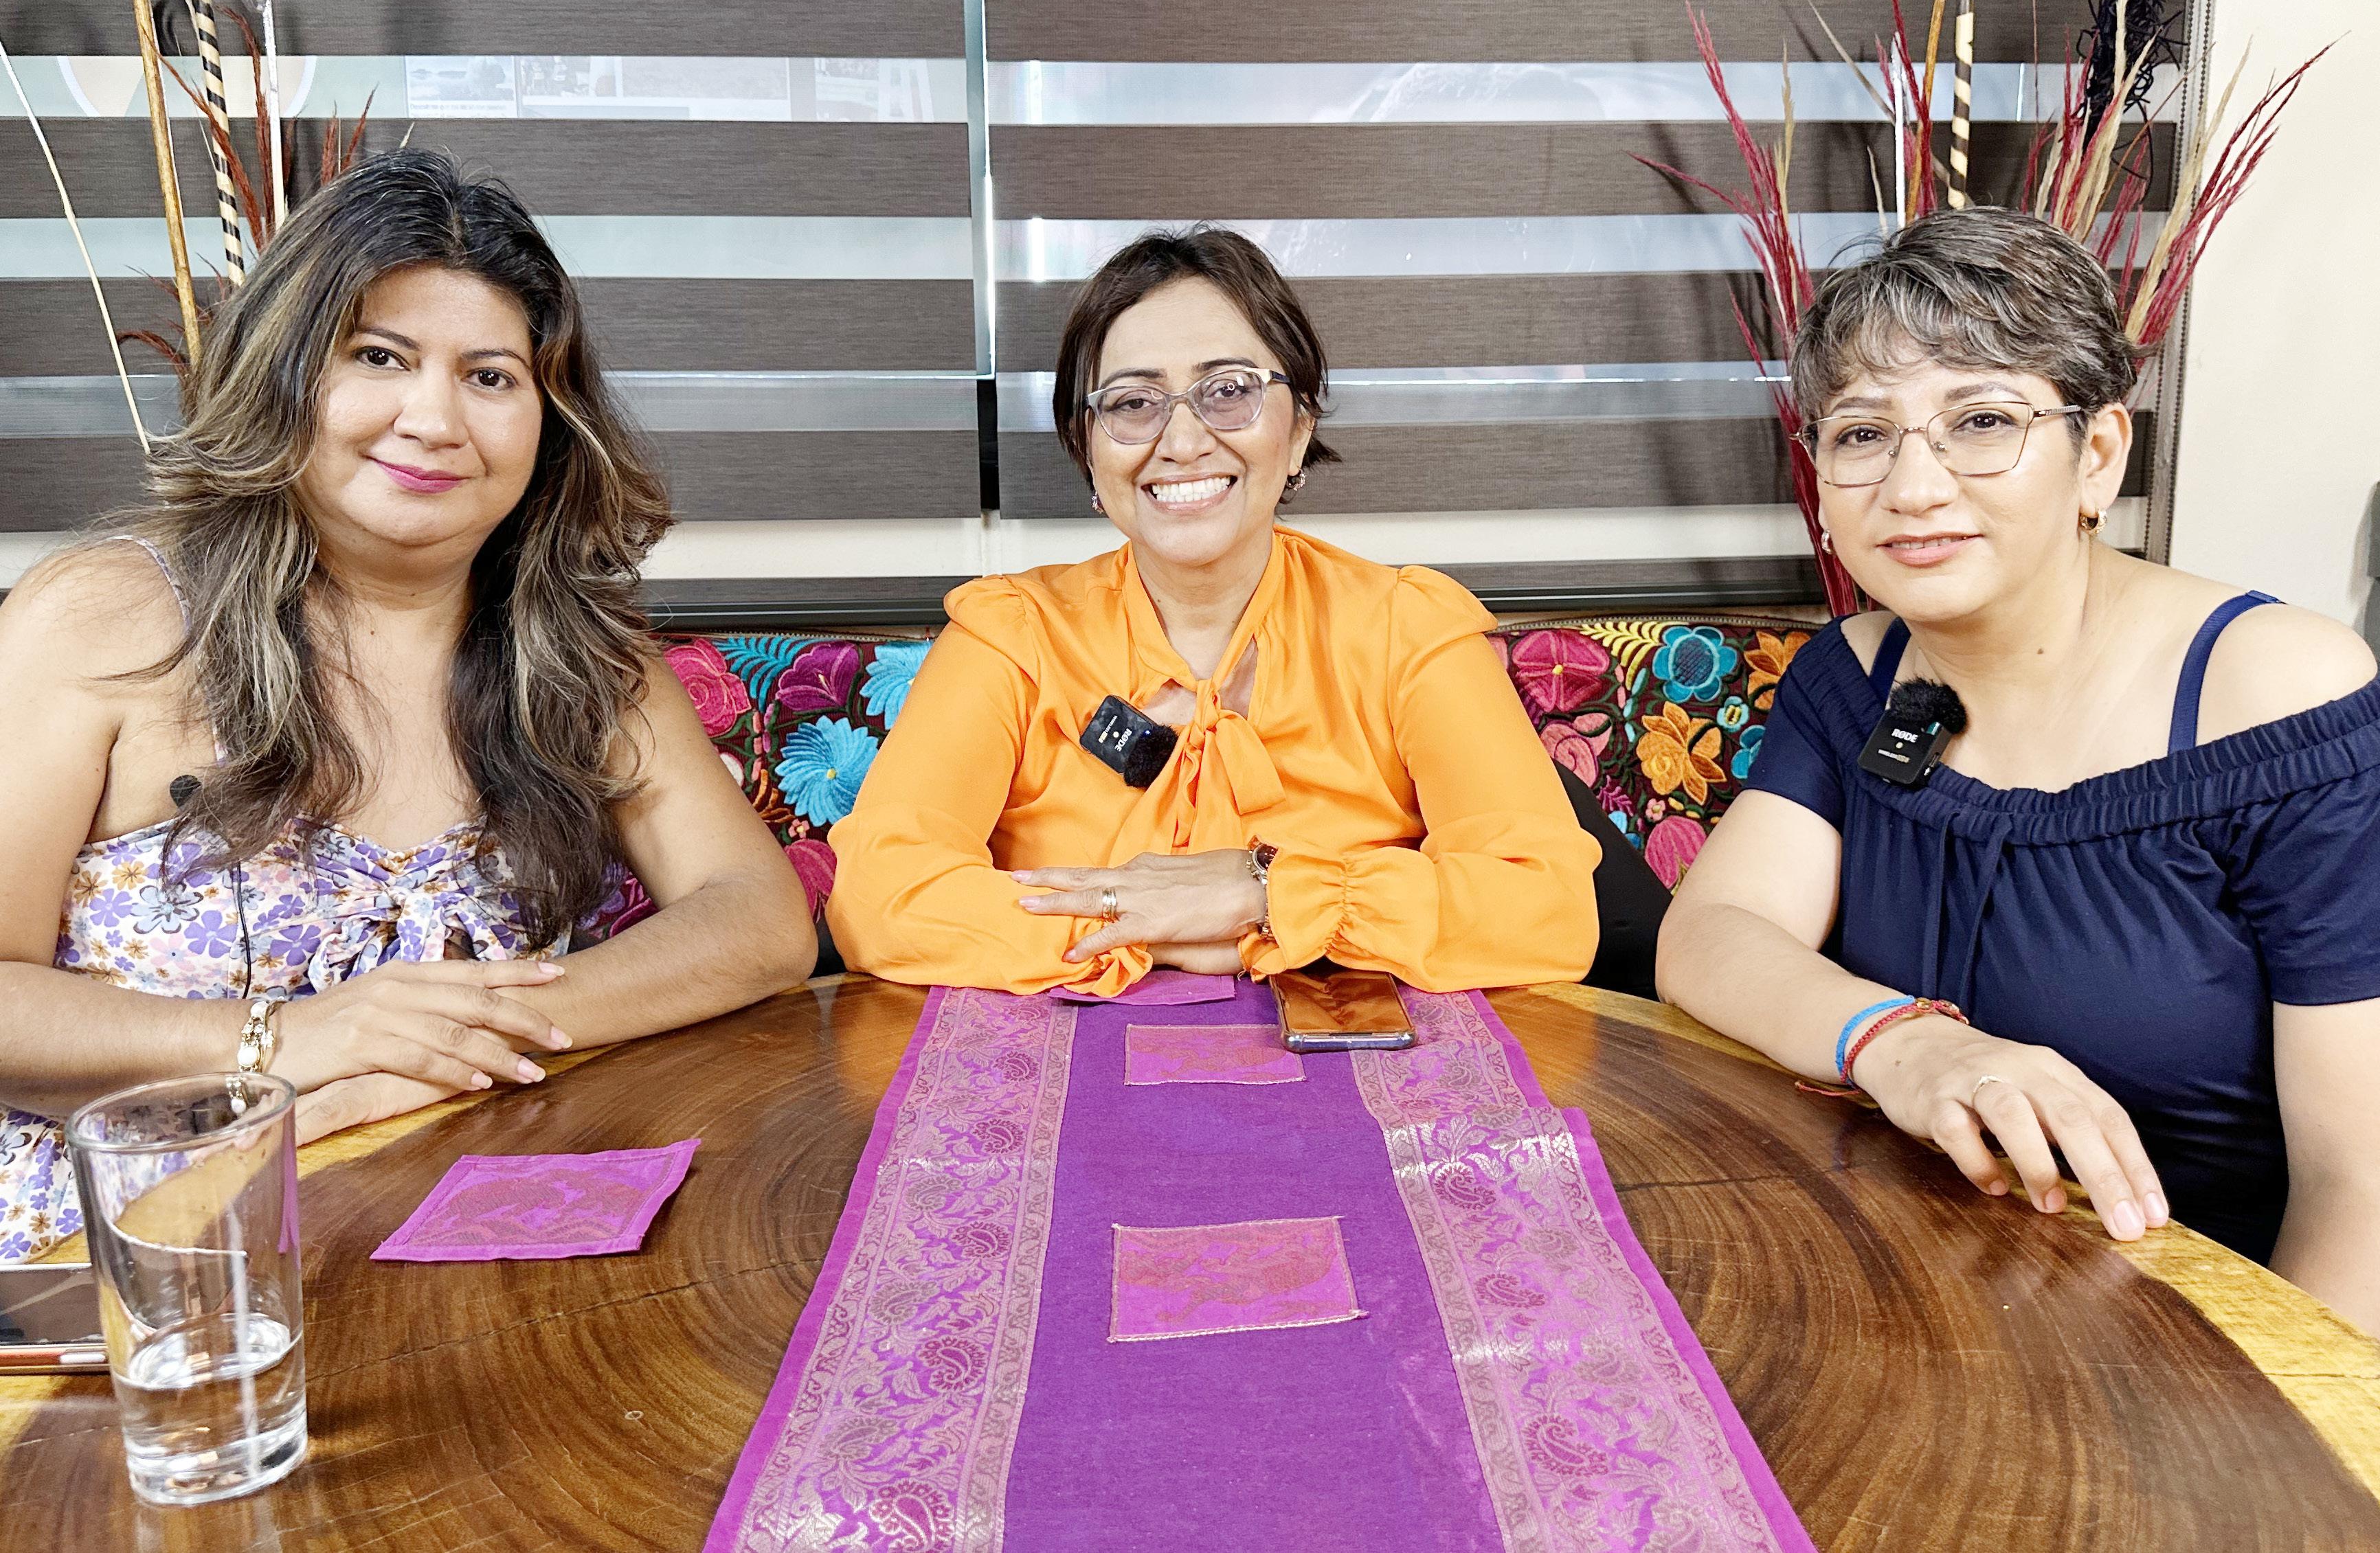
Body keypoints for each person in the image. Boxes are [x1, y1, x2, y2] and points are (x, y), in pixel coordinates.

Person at [0, 151, 813, 1262]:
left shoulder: (577, 652)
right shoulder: (102, 618)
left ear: (550, 420)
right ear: (286, 375)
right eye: (379, 357)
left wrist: (451, 1035)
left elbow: (758, 921)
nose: (435, 419)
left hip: (468, 1219)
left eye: (491, 377)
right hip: (135, 1258)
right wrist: (287, 1038)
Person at [1658, 207, 2380, 1333]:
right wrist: (1905, 1043)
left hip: (2180, 1348)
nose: (1911, 486)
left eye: (1981, 421)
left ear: (2097, 455)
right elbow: (1712, 934)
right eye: (1862, 433)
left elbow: (2359, 1188)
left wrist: (2287, 1422)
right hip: (1894, 1292)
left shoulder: (2277, 694)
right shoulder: (1856, 674)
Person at [829, 227, 1600, 996]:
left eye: (1228, 390)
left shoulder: (1408, 630)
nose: (1182, 441)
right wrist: (1148, 921)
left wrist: (1265, 894)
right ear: (1088, 449)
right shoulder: (1011, 636)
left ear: (1298, 430)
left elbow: (1547, 909)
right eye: (1134, 402)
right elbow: (879, 899)